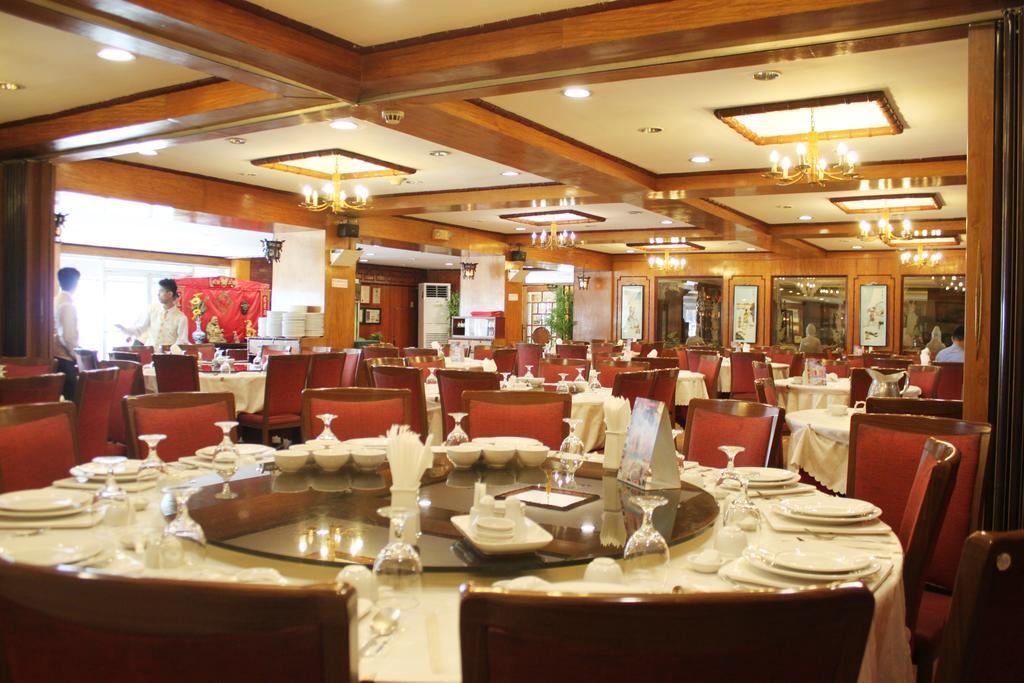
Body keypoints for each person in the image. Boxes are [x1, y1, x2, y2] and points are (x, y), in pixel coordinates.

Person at [115, 278, 188, 348]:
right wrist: (124, 329)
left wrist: (171, 351)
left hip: (168, 355)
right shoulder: (152, 310)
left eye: (161, 291)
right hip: (149, 353)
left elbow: (182, 341)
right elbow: (140, 329)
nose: (158, 294)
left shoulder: (181, 317)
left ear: (170, 294)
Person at [53, 267, 81, 400]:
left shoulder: (55, 300)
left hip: (54, 356)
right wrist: (76, 355)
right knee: (73, 399)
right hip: (64, 358)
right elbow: (68, 337)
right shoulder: (67, 304)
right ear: (75, 283)